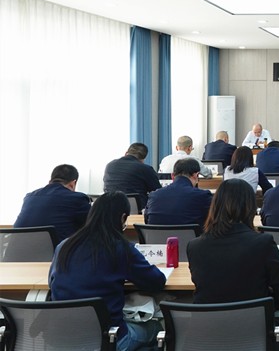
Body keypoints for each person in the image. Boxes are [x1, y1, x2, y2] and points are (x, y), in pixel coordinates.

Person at [187, 178, 279, 345]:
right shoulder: (263, 243)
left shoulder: (194, 246)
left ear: (215, 206)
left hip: (208, 335)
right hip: (255, 333)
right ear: (250, 208)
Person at [49, 192, 166, 350]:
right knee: (157, 328)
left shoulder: (64, 246)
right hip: (109, 339)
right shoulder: (120, 248)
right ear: (122, 218)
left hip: (62, 339)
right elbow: (156, 282)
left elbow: (52, 282)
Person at [14, 164, 91, 243]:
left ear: (50, 181)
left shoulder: (29, 197)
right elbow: (93, 225)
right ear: (73, 184)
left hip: (16, 249)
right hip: (54, 250)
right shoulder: (77, 198)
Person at [145, 158, 213, 225]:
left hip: (158, 232)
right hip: (190, 232)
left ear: (172, 176)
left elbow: (147, 220)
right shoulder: (203, 196)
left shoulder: (153, 196)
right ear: (196, 175)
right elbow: (213, 220)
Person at [103, 142, 161, 212]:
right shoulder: (145, 168)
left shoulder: (110, 165)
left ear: (126, 153)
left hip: (110, 209)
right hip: (136, 211)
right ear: (143, 159)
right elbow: (158, 192)